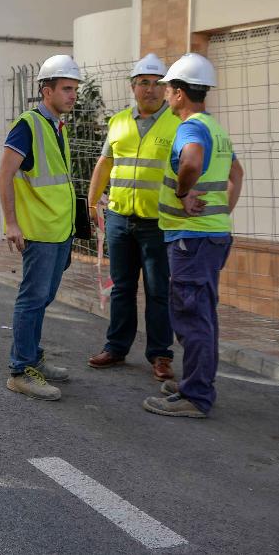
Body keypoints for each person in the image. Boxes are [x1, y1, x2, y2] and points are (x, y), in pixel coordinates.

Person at [143, 53, 243, 418]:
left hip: (191, 239)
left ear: (181, 93)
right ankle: (196, 382)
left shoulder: (190, 128)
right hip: (212, 236)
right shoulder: (217, 128)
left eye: (168, 88)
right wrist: (220, 215)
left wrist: (185, 195)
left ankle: (196, 395)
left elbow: (191, 162)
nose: (165, 93)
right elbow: (238, 176)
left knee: (190, 316)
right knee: (204, 316)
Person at [86, 54, 180, 382]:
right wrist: (91, 199)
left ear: (167, 89)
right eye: (144, 83)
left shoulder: (179, 123)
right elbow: (105, 163)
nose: (151, 90)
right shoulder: (118, 122)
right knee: (122, 287)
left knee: (157, 291)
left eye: (158, 84)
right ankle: (116, 347)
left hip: (158, 222)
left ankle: (160, 355)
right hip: (120, 218)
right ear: (133, 87)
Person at [0, 54, 82, 401]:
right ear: (46, 90)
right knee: (32, 300)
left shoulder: (57, 126)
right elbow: (4, 175)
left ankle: (33, 357)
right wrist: (12, 223)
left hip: (60, 231)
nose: (73, 95)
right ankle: (21, 370)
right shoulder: (28, 125)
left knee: (42, 298)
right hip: (40, 232)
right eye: (66, 89)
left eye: (75, 89)